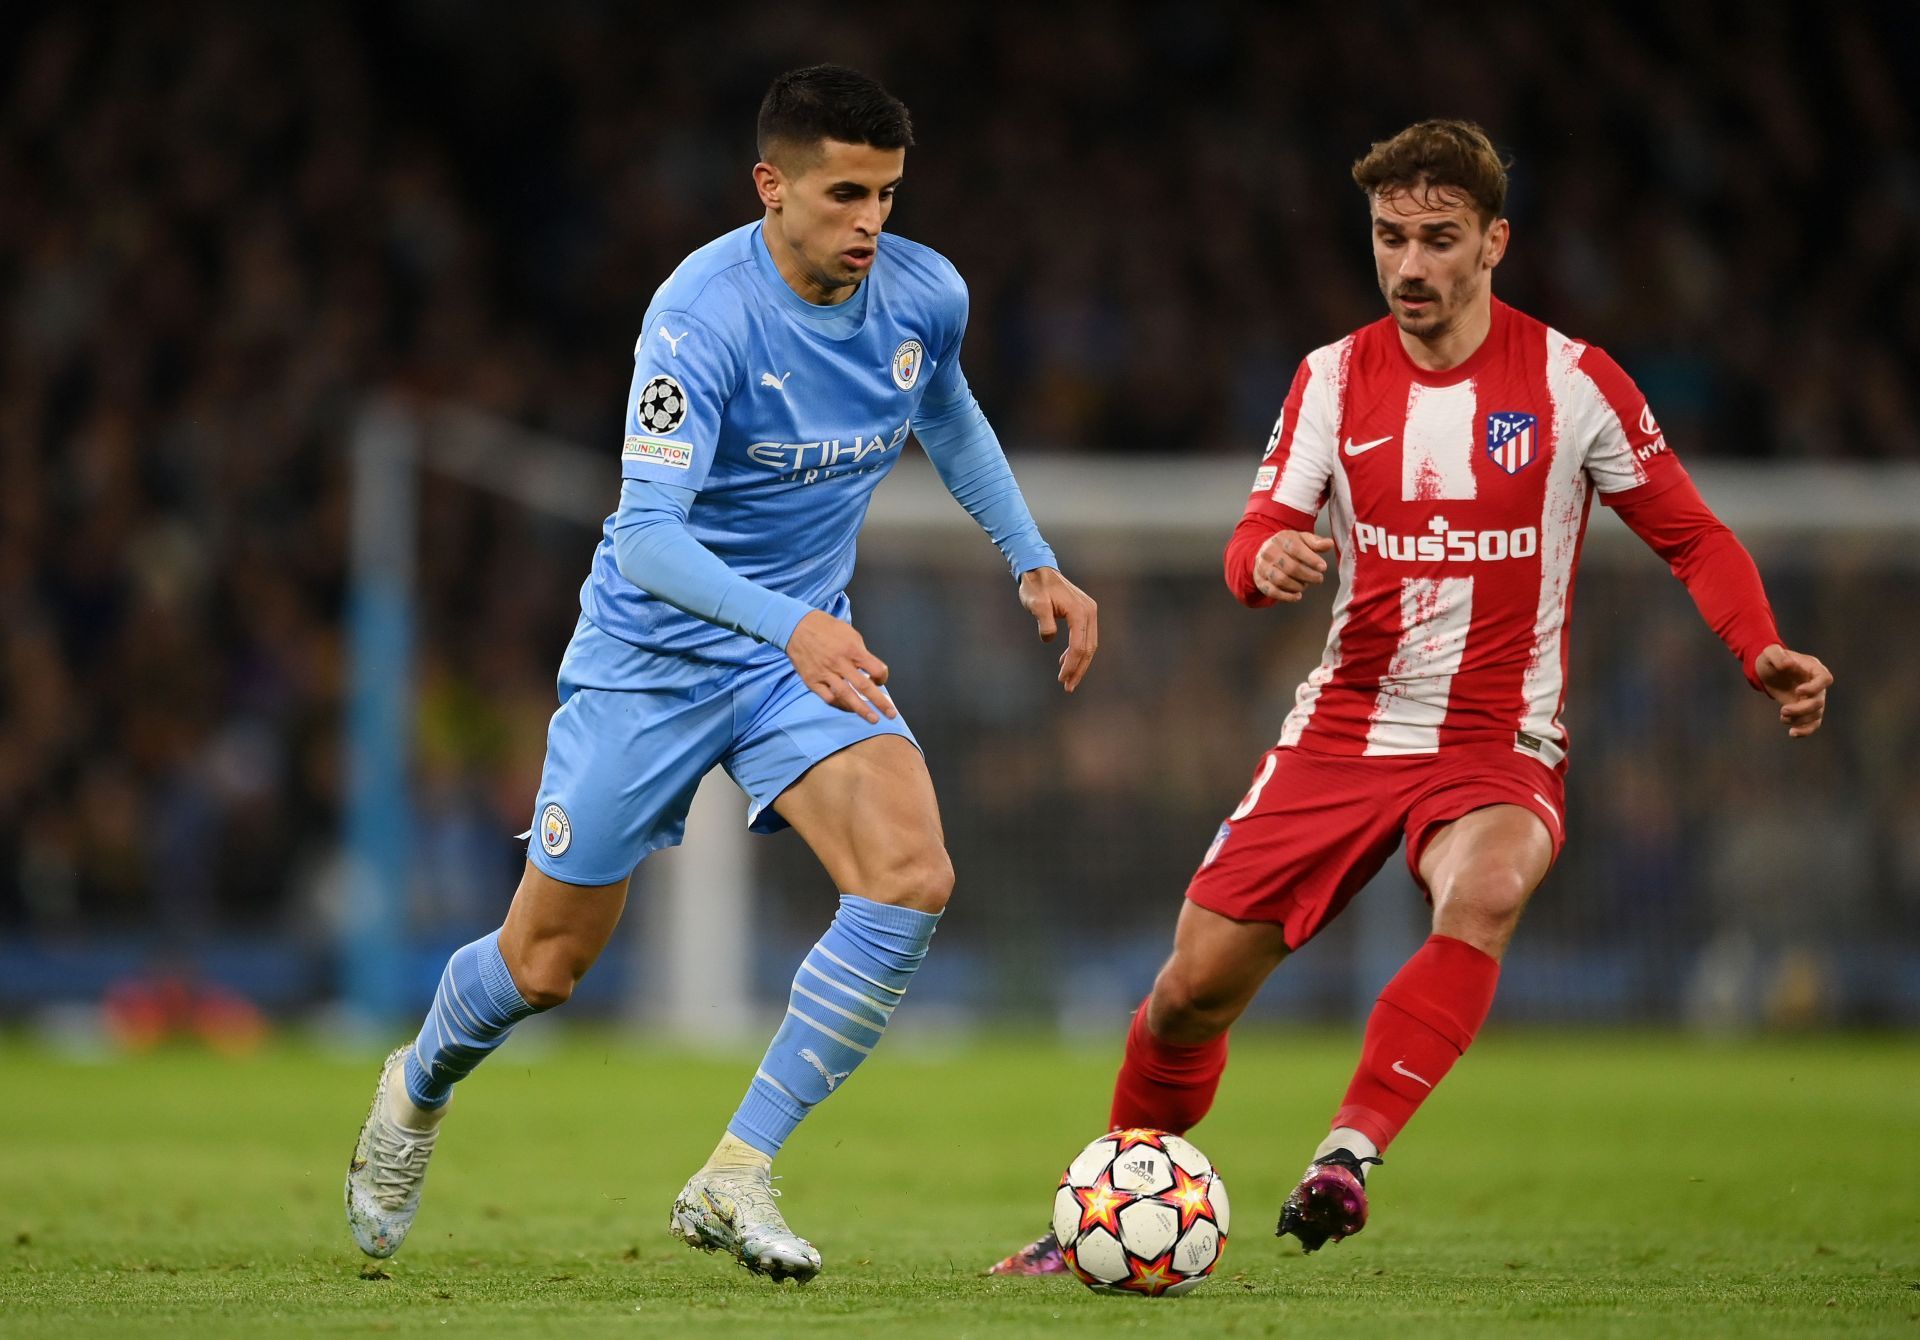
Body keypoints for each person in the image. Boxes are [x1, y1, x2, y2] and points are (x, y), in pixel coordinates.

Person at [992, 119, 1829, 1274]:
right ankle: (1095, 1208)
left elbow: (1692, 535)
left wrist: (1761, 647)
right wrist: (1263, 564)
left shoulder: (1573, 382)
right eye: (1391, 237)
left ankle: (1347, 1152)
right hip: (1344, 729)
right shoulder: (1332, 379)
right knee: (1188, 994)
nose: (1411, 265)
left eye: (1439, 238)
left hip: (1498, 736)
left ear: (1494, 242)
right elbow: (1255, 536)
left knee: (1484, 891)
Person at [345, 64, 1098, 1284]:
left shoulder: (923, 294)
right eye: (844, 193)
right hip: (651, 658)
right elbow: (645, 533)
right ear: (771, 185)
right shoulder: (699, 315)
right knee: (547, 962)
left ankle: (736, 1168)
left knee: (910, 869)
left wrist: (1032, 559)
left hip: (794, 653)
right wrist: (792, 625)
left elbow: (946, 410)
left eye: (889, 195)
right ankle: (416, 1081)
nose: (870, 222)